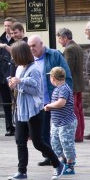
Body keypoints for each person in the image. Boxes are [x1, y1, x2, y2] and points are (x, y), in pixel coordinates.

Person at [6, 41, 66, 180]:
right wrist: (13, 84)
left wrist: (20, 83)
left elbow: (36, 90)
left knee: (37, 142)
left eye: (14, 55)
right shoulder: (20, 68)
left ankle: (57, 164)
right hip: (21, 109)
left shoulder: (34, 69)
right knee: (20, 141)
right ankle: (22, 171)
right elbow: (19, 87)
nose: (13, 58)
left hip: (34, 110)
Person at [27, 35, 72, 166]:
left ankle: (66, 157)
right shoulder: (29, 59)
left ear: (41, 44)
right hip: (39, 102)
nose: (31, 48)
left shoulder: (54, 55)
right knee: (42, 131)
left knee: (60, 132)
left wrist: (66, 96)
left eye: (34, 45)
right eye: (29, 46)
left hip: (55, 99)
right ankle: (49, 156)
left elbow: (66, 75)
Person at [44, 67, 77, 175]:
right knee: (55, 144)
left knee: (67, 144)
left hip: (66, 123)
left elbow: (61, 103)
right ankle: (63, 161)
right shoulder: (58, 89)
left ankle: (70, 165)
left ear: (53, 78)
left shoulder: (64, 88)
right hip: (56, 123)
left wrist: (49, 105)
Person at [57, 28, 85, 143]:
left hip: (71, 85)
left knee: (73, 111)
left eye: (60, 38)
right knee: (79, 110)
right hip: (79, 84)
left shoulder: (69, 49)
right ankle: (80, 134)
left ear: (65, 38)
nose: (59, 41)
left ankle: (76, 135)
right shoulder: (77, 47)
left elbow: (67, 69)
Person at [0, 17, 17, 136]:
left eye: (9, 26)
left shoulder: (16, 40)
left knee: (16, 101)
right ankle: (9, 126)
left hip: (13, 74)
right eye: (5, 26)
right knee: (6, 102)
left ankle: (18, 124)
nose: (7, 28)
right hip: (2, 75)